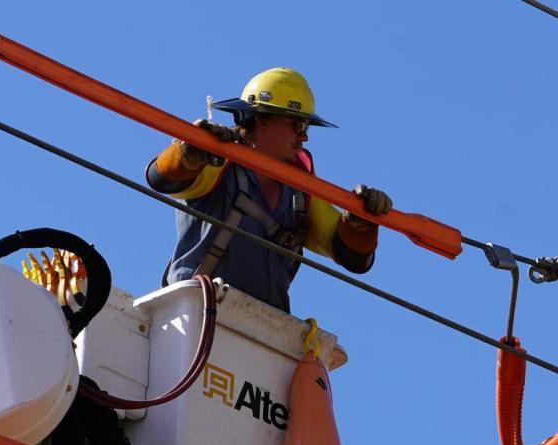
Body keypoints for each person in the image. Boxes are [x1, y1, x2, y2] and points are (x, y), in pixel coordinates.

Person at [146, 68, 391, 312]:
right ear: (262, 119)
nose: (304, 136)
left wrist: (361, 224)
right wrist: (190, 153)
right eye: (297, 124)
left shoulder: (299, 190)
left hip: (265, 328)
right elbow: (163, 177)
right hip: (192, 310)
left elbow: (349, 254)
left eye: (307, 126)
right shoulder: (219, 161)